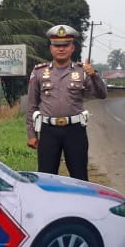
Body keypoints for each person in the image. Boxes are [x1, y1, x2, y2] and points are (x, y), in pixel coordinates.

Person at [25, 25, 107, 181]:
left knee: (79, 176)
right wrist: (31, 134)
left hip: (75, 131)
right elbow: (31, 105)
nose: (61, 49)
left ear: (72, 48)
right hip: (48, 131)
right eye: (57, 45)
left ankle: (81, 204)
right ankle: (49, 205)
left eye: (65, 45)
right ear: (51, 48)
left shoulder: (82, 71)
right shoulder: (39, 72)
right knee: (46, 177)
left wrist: (94, 76)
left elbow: (102, 95)